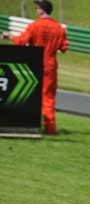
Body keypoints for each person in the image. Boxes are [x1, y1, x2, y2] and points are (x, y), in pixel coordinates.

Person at [1, 0, 69, 135]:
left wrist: (9, 35)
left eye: (37, 8)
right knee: (48, 97)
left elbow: (21, 41)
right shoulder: (59, 28)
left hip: (34, 63)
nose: (36, 10)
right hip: (50, 65)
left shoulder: (35, 25)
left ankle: (24, 123)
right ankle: (50, 128)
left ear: (42, 10)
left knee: (26, 93)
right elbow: (64, 48)